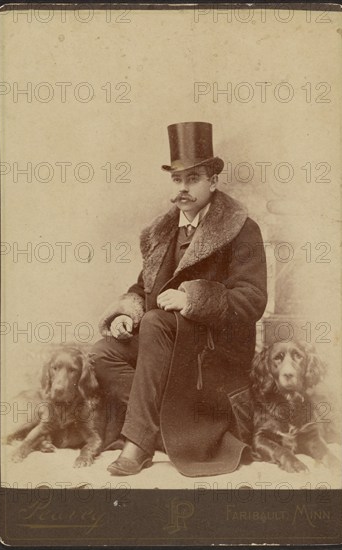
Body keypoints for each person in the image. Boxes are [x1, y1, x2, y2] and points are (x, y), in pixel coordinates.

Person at [92, 122, 267, 476]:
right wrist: (127, 312)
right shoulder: (161, 232)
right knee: (103, 351)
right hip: (166, 348)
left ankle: (138, 443)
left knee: (156, 321)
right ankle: (169, 425)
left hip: (212, 351)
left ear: (213, 181)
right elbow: (144, 288)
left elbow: (252, 300)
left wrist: (192, 298)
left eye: (193, 178)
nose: (183, 188)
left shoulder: (241, 228)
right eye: (177, 179)